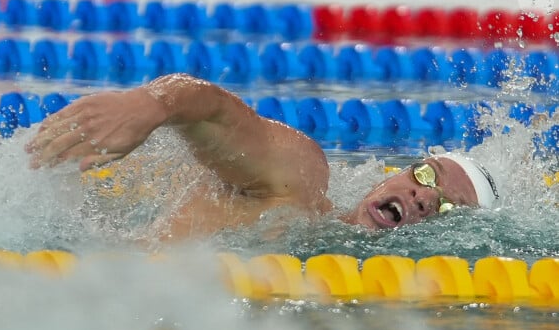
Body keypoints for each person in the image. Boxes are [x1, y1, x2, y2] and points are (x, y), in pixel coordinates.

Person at [25, 73, 499, 239]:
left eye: (446, 207)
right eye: (425, 175)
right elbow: (213, 110)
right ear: (391, 174)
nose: (422, 199)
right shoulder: (297, 183)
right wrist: (150, 105)